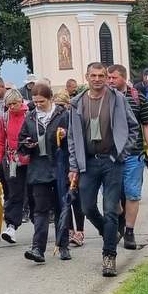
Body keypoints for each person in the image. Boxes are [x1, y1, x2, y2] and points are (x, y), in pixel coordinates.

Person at [66, 63, 140, 277]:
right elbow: (72, 137)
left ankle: (109, 256)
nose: (97, 79)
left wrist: (121, 153)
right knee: (87, 207)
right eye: (93, 75)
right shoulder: (77, 102)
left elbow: (133, 127)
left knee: (110, 209)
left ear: (107, 77)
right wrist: (74, 165)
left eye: (101, 75)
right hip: (88, 162)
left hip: (111, 161)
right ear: (86, 77)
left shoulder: (117, 99)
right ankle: (108, 232)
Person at [17, 84, 71, 262]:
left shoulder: (63, 115)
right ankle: (37, 249)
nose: (38, 104)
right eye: (35, 101)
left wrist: (65, 135)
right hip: (38, 169)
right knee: (40, 210)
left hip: (59, 166)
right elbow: (21, 142)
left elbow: (74, 139)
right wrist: (27, 144)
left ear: (50, 99)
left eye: (41, 101)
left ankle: (63, 245)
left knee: (60, 207)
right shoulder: (30, 117)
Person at [109, 65, 148, 251]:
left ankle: (129, 231)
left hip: (134, 153)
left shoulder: (138, 98)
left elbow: (147, 126)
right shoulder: (105, 97)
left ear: (123, 78)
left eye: (114, 78)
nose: (110, 81)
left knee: (132, 194)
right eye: (109, 78)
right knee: (111, 196)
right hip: (110, 155)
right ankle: (121, 218)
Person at [0, 88, 29, 244]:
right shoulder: (4, 118)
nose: (13, 106)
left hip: (31, 160)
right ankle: (11, 226)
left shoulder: (30, 115)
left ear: (21, 101)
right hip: (12, 161)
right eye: (9, 104)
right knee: (14, 194)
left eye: (15, 103)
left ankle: (40, 223)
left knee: (35, 194)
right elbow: (0, 142)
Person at [52, 91, 86, 247]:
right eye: (56, 105)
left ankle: (80, 231)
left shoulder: (71, 116)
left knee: (76, 199)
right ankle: (70, 229)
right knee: (65, 199)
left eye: (61, 105)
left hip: (73, 161)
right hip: (60, 163)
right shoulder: (54, 119)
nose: (59, 108)